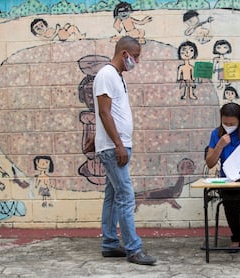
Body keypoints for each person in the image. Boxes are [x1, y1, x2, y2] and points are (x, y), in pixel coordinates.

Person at [93, 36, 156, 265]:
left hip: (115, 144)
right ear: (124, 54)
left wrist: (101, 139)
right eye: (136, 56)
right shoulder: (106, 75)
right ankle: (133, 249)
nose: (137, 61)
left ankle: (109, 244)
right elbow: (104, 112)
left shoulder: (117, 77)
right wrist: (118, 145)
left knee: (112, 196)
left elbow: (110, 112)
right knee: (126, 196)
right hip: (114, 148)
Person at [205, 103, 240, 252]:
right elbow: (210, 163)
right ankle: (236, 236)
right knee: (229, 200)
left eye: (232, 123)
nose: (229, 126)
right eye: (225, 123)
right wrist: (219, 145)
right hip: (229, 180)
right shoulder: (216, 134)